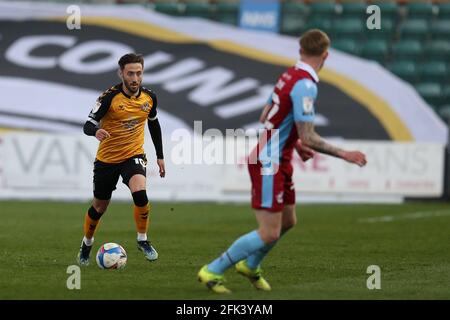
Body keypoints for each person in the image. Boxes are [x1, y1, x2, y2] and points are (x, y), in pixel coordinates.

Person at [198, 29, 367, 293]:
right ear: (326, 55)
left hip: (279, 157)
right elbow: (309, 136)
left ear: (300, 51)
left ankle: (251, 266)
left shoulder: (289, 75)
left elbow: (266, 115)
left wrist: (294, 143)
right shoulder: (306, 85)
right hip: (268, 161)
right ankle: (213, 270)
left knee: (289, 221)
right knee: (269, 232)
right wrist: (344, 154)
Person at [77, 53, 166, 266]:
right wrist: (96, 131)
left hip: (133, 155)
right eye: (130, 73)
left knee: (141, 194)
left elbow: (154, 124)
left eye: (139, 73)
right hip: (107, 160)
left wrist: (160, 156)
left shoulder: (149, 97)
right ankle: (87, 243)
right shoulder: (109, 97)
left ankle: (142, 240)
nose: (135, 78)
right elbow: (87, 124)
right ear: (121, 74)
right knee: (99, 206)